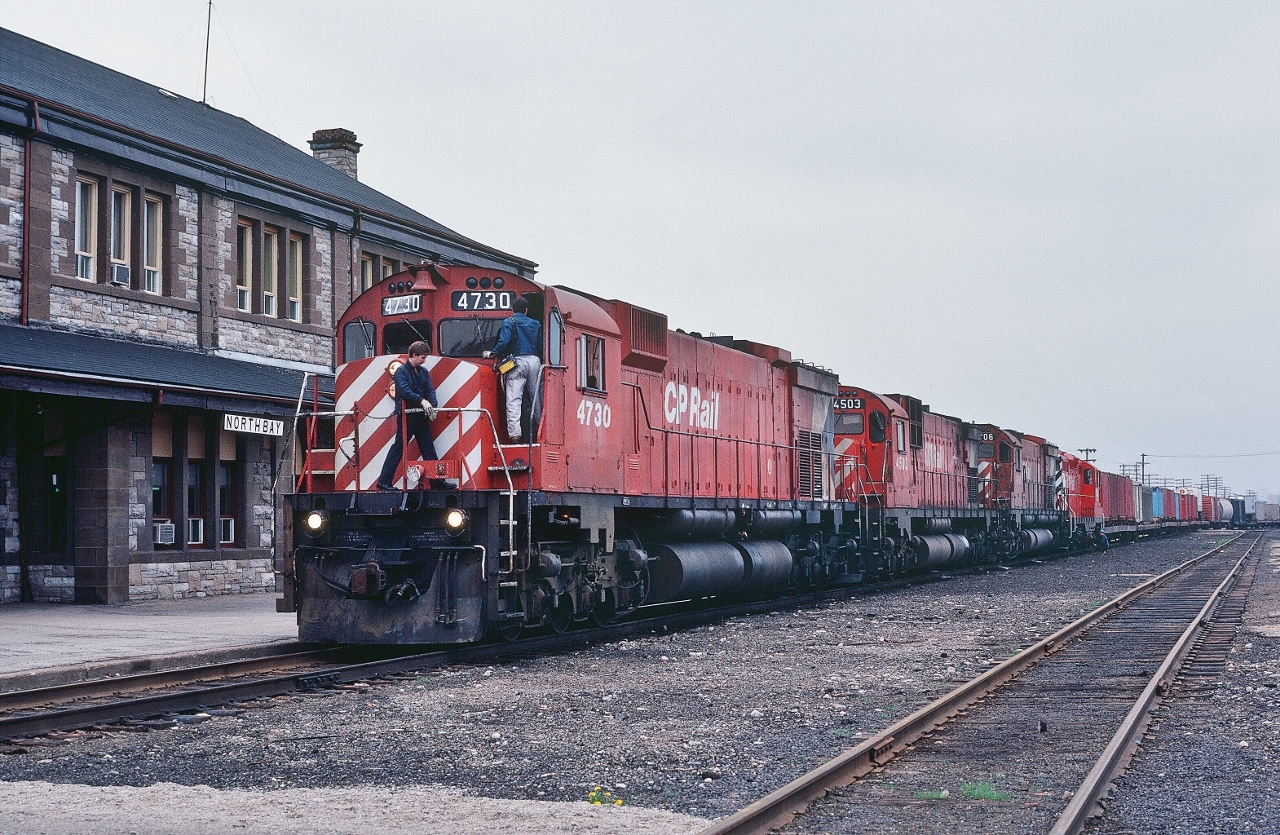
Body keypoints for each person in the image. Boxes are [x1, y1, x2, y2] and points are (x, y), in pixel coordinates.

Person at [376, 341, 439, 490]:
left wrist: (433, 406)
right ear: (414, 355)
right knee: (399, 446)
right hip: (407, 416)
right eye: (422, 357)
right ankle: (383, 482)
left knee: (428, 446)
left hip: (420, 415)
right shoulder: (401, 372)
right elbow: (404, 391)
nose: (424, 361)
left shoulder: (423, 372)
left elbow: (430, 390)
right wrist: (422, 400)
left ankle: (437, 481)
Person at [483, 296, 542, 443]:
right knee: (536, 398)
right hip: (534, 361)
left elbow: (504, 341)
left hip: (517, 362)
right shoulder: (536, 323)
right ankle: (540, 432)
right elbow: (541, 344)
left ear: (513, 310)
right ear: (526, 310)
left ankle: (515, 435)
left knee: (514, 399)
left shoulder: (509, 322)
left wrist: (493, 353)